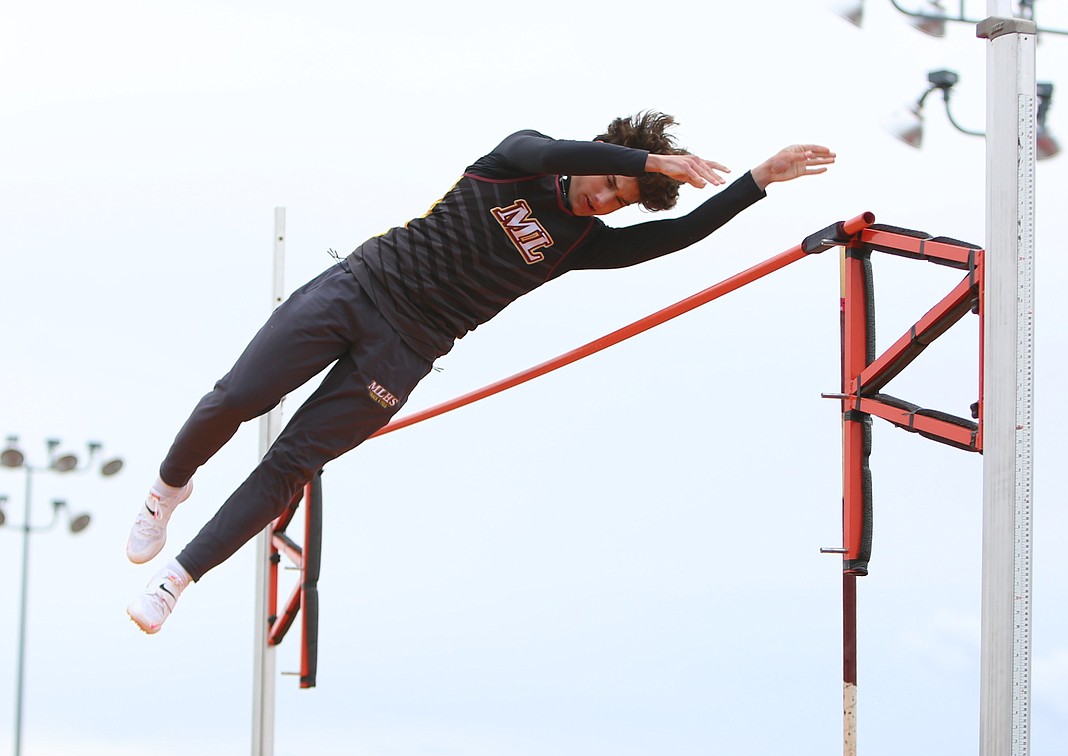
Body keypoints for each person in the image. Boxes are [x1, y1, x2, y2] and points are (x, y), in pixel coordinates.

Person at [125, 111, 835, 634]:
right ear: (604, 153)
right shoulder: (518, 158)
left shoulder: (580, 244)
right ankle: (166, 491)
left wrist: (757, 180)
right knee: (238, 395)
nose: (604, 200)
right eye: (610, 183)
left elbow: (674, 236)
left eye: (618, 200)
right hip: (360, 287)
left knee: (293, 463)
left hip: (405, 351)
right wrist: (652, 164)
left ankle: (177, 577)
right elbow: (558, 149)